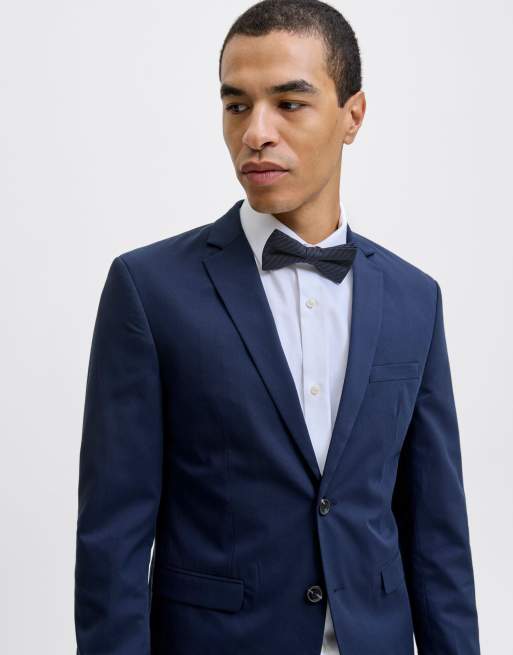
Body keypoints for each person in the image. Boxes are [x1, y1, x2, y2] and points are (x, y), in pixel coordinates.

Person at [74, 1, 481, 653]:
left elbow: (437, 538)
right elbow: (111, 545)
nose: (255, 132)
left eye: (289, 103)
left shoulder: (414, 298)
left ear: (352, 116)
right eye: (236, 105)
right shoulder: (149, 290)